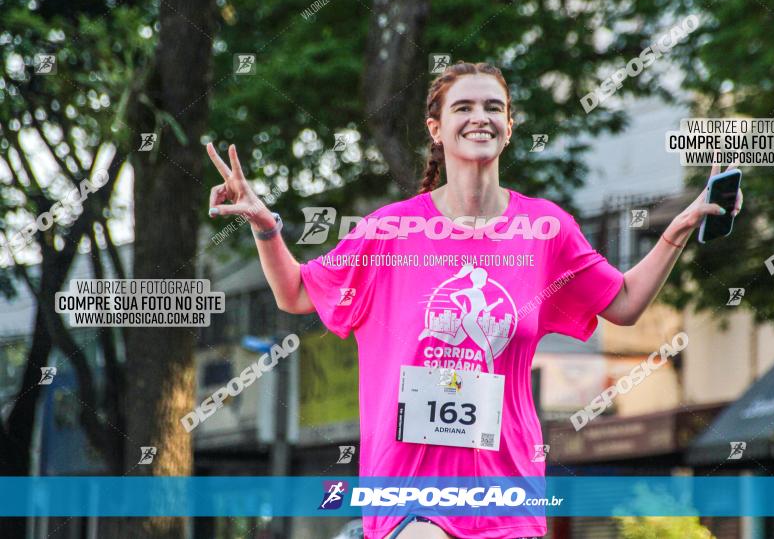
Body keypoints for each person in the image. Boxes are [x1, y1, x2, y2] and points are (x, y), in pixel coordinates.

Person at [205, 61, 744, 539]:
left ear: (509, 128)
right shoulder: (390, 232)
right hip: (409, 485)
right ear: (436, 129)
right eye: (463, 106)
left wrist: (676, 231)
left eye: (494, 106)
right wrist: (266, 227)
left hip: (505, 483)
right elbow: (297, 291)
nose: (480, 116)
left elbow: (622, 302)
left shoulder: (545, 230)